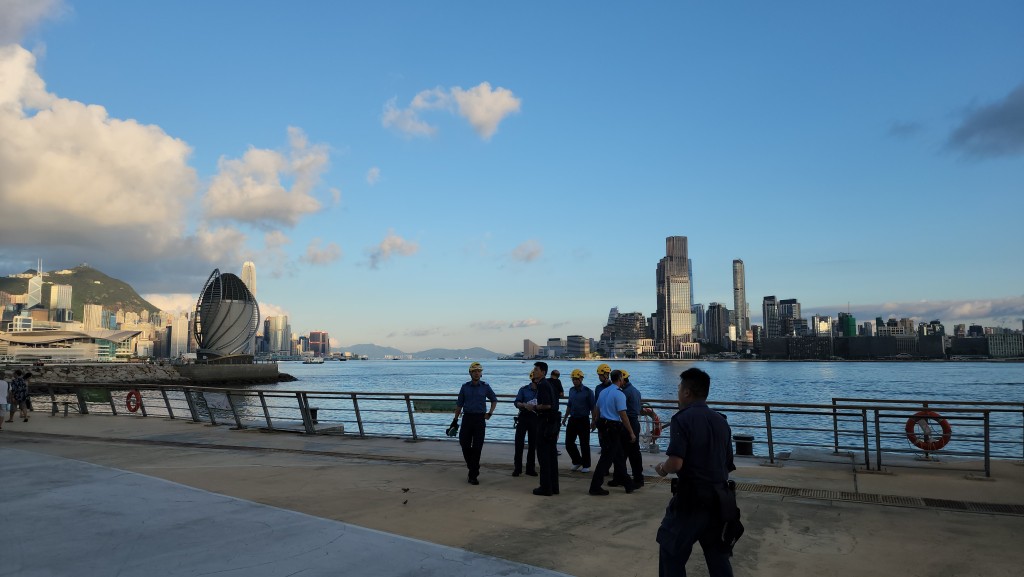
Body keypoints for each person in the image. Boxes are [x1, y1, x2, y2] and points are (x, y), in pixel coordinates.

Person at [654, 368, 736, 577]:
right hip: (720, 500)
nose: (678, 393)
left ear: (687, 392)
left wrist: (662, 469)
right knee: (718, 556)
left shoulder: (682, 419)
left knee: (671, 552)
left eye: (679, 388)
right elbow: (728, 463)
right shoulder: (721, 421)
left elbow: (676, 463)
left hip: (690, 501)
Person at [588, 369, 635, 495]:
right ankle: (595, 487)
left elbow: (596, 408)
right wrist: (631, 432)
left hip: (603, 426)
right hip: (613, 427)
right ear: (620, 379)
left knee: (618, 456)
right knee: (606, 458)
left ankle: (628, 484)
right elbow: (623, 415)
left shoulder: (603, 392)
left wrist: (594, 421)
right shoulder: (619, 394)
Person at [452, 362, 497, 485]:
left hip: (479, 419)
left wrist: (490, 413)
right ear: (470, 373)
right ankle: (473, 467)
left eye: (479, 371)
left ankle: (473, 476)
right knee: (464, 444)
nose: (477, 373)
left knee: (477, 447)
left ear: (481, 374)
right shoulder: (465, 387)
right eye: (474, 371)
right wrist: (455, 421)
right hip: (467, 419)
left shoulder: (485, 387)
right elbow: (459, 404)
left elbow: (494, 400)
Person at [529, 361, 560, 496]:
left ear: (543, 372)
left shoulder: (542, 385)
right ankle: (554, 487)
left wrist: (534, 407)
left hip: (545, 422)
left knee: (543, 456)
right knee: (552, 456)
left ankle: (545, 487)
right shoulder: (549, 384)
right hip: (553, 423)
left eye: (536, 369)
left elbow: (547, 405)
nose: (534, 371)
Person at [562, 368, 594, 472]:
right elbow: (569, 405)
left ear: (581, 379)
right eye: (573, 379)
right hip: (573, 419)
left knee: (584, 443)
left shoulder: (588, 392)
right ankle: (577, 461)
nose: (574, 381)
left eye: (576, 379)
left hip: (583, 420)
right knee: (568, 443)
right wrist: (565, 418)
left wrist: (594, 421)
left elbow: (593, 407)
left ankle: (586, 465)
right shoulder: (571, 390)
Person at [620, 369, 645, 488]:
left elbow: (621, 410)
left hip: (628, 423)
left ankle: (626, 478)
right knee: (634, 452)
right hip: (635, 422)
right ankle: (638, 477)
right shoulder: (636, 391)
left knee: (624, 452)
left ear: (623, 380)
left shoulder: (624, 393)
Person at [512, 372, 540, 477]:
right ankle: (517, 468)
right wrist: (523, 404)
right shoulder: (523, 389)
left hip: (535, 418)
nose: (537, 382)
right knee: (519, 443)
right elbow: (516, 402)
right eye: (536, 380)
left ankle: (530, 468)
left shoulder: (542, 390)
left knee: (533, 444)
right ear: (532, 379)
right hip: (523, 416)